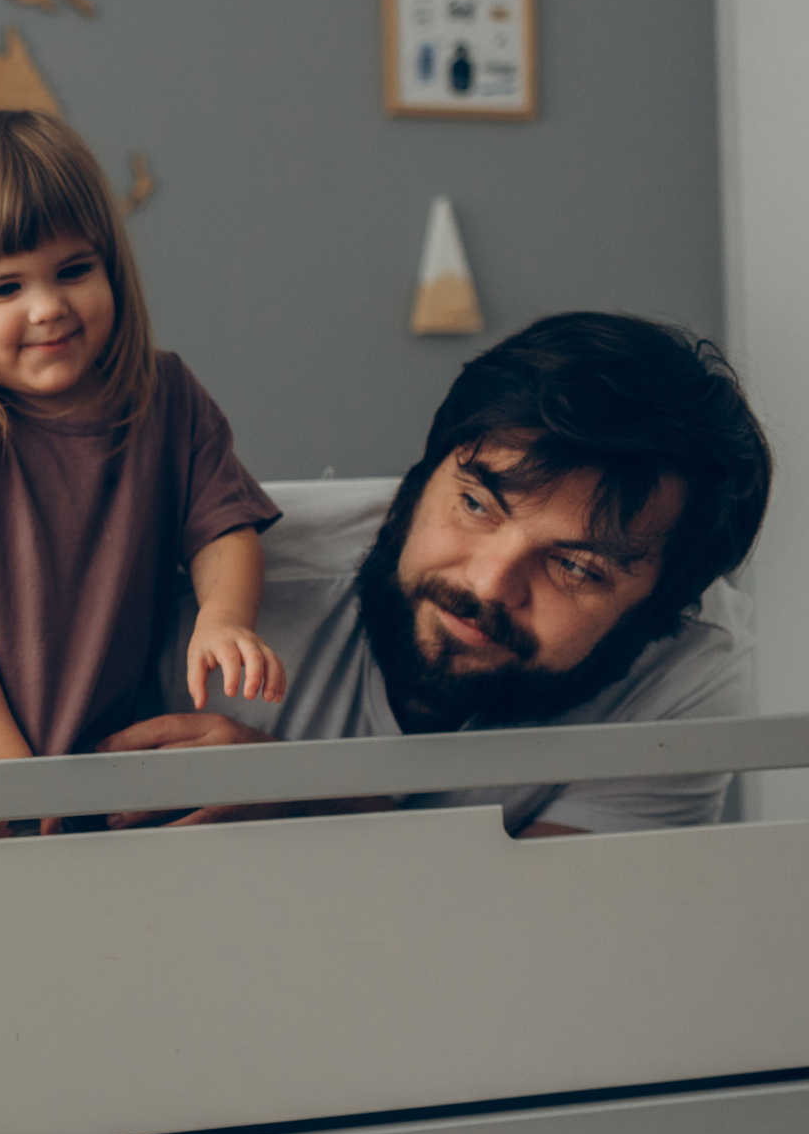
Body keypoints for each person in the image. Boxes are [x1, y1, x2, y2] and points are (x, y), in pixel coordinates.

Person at [102, 311, 772, 835]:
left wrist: (301, 798)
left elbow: (550, 931)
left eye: (575, 566)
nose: (486, 585)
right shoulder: (208, 582)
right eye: (476, 504)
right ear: (418, 478)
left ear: (661, 616)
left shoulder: (693, 669)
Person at [0, 111, 284, 834]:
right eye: (5, 289)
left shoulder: (168, 398)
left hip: (98, 757)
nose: (49, 307)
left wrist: (224, 618)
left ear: (111, 265)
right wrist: (8, 780)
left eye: (74, 271)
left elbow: (225, 527)